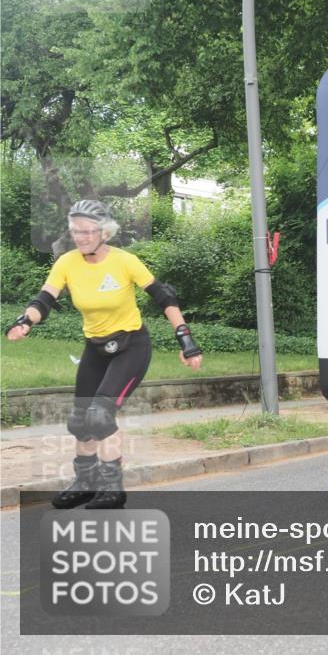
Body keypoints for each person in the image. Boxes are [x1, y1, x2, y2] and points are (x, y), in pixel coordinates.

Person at [5, 200, 203, 509]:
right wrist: (26, 320)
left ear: (105, 232)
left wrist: (186, 340)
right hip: (95, 348)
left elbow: (164, 297)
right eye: (75, 231)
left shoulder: (125, 261)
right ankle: (85, 483)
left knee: (100, 414)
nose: (80, 237)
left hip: (131, 347)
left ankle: (112, 487)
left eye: (87, 231)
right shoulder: (67, 263)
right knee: (81, 419)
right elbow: (44, 298)